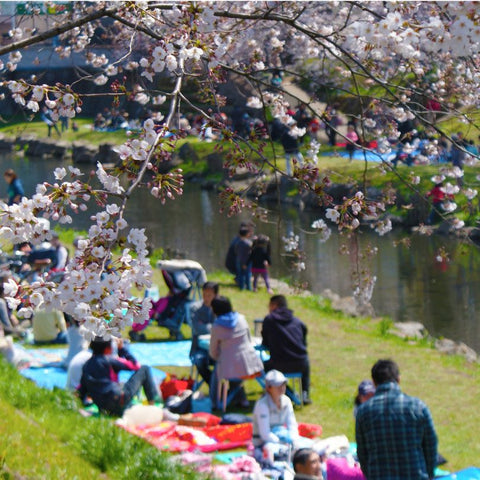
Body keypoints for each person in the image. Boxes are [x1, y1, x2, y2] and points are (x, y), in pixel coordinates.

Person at [355, 359, 438, 480]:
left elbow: (362, 453)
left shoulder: (363, 412)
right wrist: (429, 474)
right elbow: (431, 446)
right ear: (399, 379)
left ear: (374, 382)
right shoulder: (418, 407)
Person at [78, 336, 161, 416]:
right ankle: (152, 405)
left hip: (103, 407)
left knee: (119, 386)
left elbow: (82, 389)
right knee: (144, 369)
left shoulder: (87, 365)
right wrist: (122, 349)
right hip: (117, 400)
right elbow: (136, 365)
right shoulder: (110, 360)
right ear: (107, 349)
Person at [209, 296, 263, 410]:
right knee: (233, 366)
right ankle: (242, 399)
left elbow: (213, 352)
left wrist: (220, 357)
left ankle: (215, 403)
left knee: (219, 370)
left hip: (230, 370)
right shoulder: (241, 319)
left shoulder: (217, 326)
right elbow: (249, 340)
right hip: (252, 366)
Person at [262, 295, 311, 404]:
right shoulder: (297, 321)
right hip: (300, 363)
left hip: (278, 364)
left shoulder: (269, 320)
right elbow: (303, 341)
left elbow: (265, 343)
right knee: (306, 361)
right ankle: (305, 393)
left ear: (274, 305)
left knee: (263, 367)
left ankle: (290, 395)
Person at [252, 369, 299, 464]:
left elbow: (292, 424)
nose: (281, 388)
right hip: (264, 443)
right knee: (271, 452)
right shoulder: (262, 405)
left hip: (283, 439)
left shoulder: (287, 401)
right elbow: (265, 434)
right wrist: (281, 442)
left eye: (283, 384)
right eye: (277, 385)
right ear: (269, 388)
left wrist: (293, 439)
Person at [189, 281, 219, 386]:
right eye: (204, 294)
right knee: (199, 360)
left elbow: (222, 327)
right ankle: (214, 386)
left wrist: (208, 327)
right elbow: (197, 329)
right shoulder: (195, 308)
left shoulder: (219, 307)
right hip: (200, 348)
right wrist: (214, 327)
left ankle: (235, 393)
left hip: (218, 348)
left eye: (209, 295)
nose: (206, 298)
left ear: (216, 295)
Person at [234, 226, 253, 291]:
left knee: (240, 274)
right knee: (247, 275)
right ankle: (248, 288)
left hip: (238, 260)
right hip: (246, 262)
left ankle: (241, 287)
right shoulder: (248, 243)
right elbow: (250, 253)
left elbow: (236, 251)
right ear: (247, 234)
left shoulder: (238, 242)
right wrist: (245, 263)